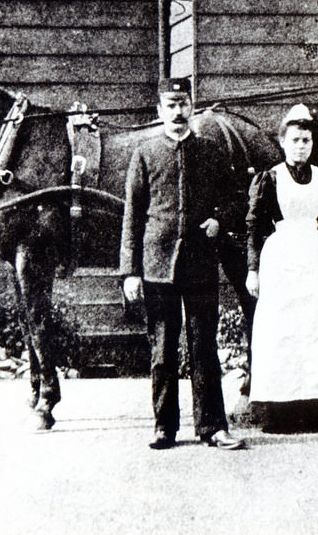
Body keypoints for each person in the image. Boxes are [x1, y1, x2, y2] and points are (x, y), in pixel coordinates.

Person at [119, 77, 245, 451]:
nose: (177, 111)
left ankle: (213, 427)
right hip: (157, 266)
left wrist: (219, 220)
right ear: (159, 111)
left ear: (191, 107)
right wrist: (130, 271)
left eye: (183, 104)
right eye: (170, 105)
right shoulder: (144, 153)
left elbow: (238, 199)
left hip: (200, 264)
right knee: (162, 349)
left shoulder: (210, 150)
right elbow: (132, 216)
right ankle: (164, 427)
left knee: (204, 346)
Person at [245, 103, 318, 433]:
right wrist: (252, 269)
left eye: (306, 140)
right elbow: (254, 226)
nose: (301, 146)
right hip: (280, 256)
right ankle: (280, 410)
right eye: (295, 140)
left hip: (316, 256)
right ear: (283, 142)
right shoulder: (270, 177)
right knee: (282, 330)